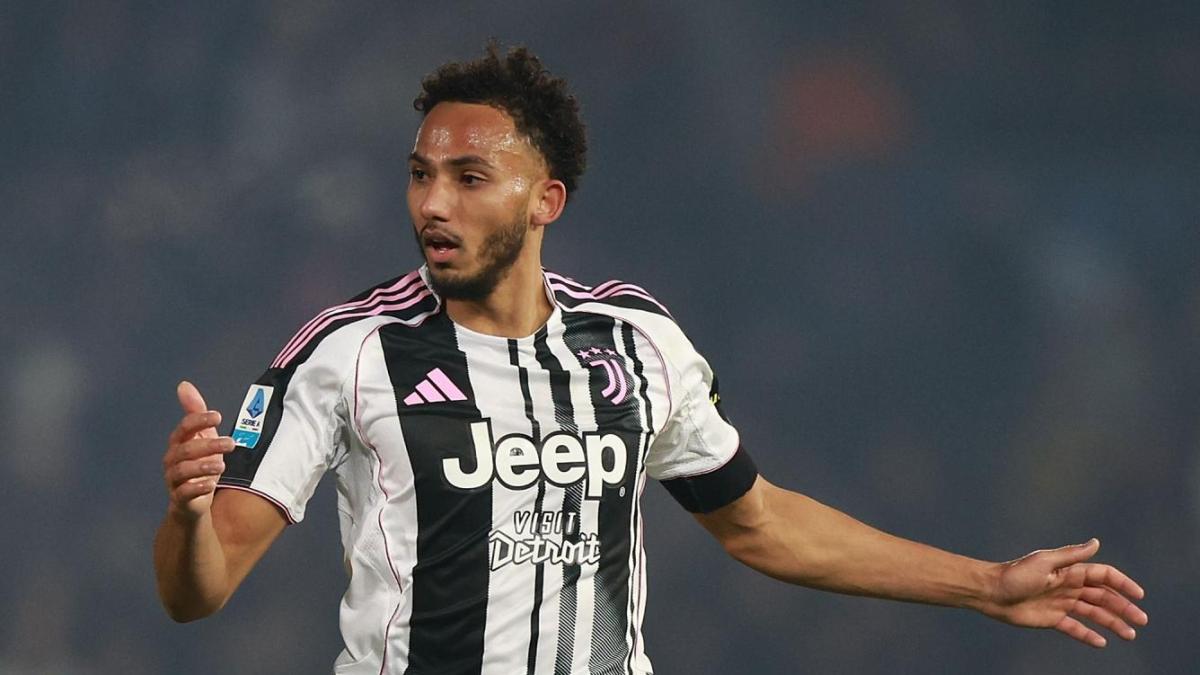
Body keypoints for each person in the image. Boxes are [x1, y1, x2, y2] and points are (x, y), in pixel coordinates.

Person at [154, 43, 1148, 674]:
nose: (433, 203)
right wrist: (190, 513)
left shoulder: (635, 342)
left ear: (545, 201)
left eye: (469, 177)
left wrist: (985, 583)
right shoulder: (348, 350)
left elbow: (760, 524)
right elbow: (197, 591)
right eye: (421, 175)